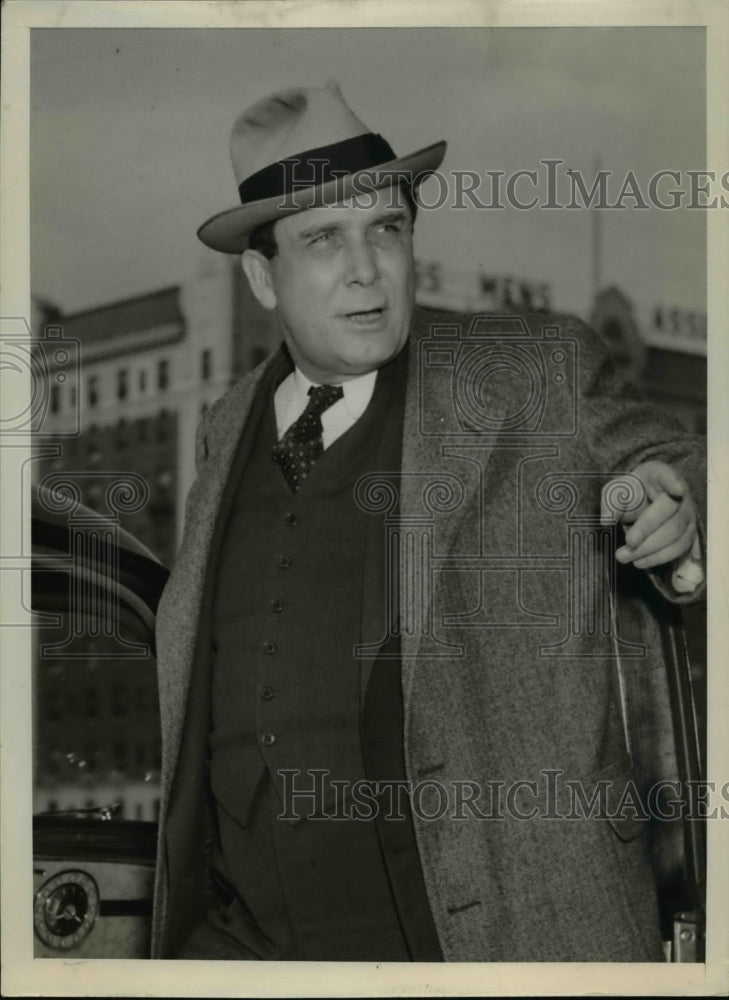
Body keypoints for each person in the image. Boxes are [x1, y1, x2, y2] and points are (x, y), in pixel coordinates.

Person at [151, 80, 705, 962]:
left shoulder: (529, 369)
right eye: (324, 239)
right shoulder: (225, 428)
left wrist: (670, 501)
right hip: (250, 950)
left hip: (502, 945)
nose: (366, 269)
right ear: (262, 275)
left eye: (387, 229)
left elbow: (678, 463)